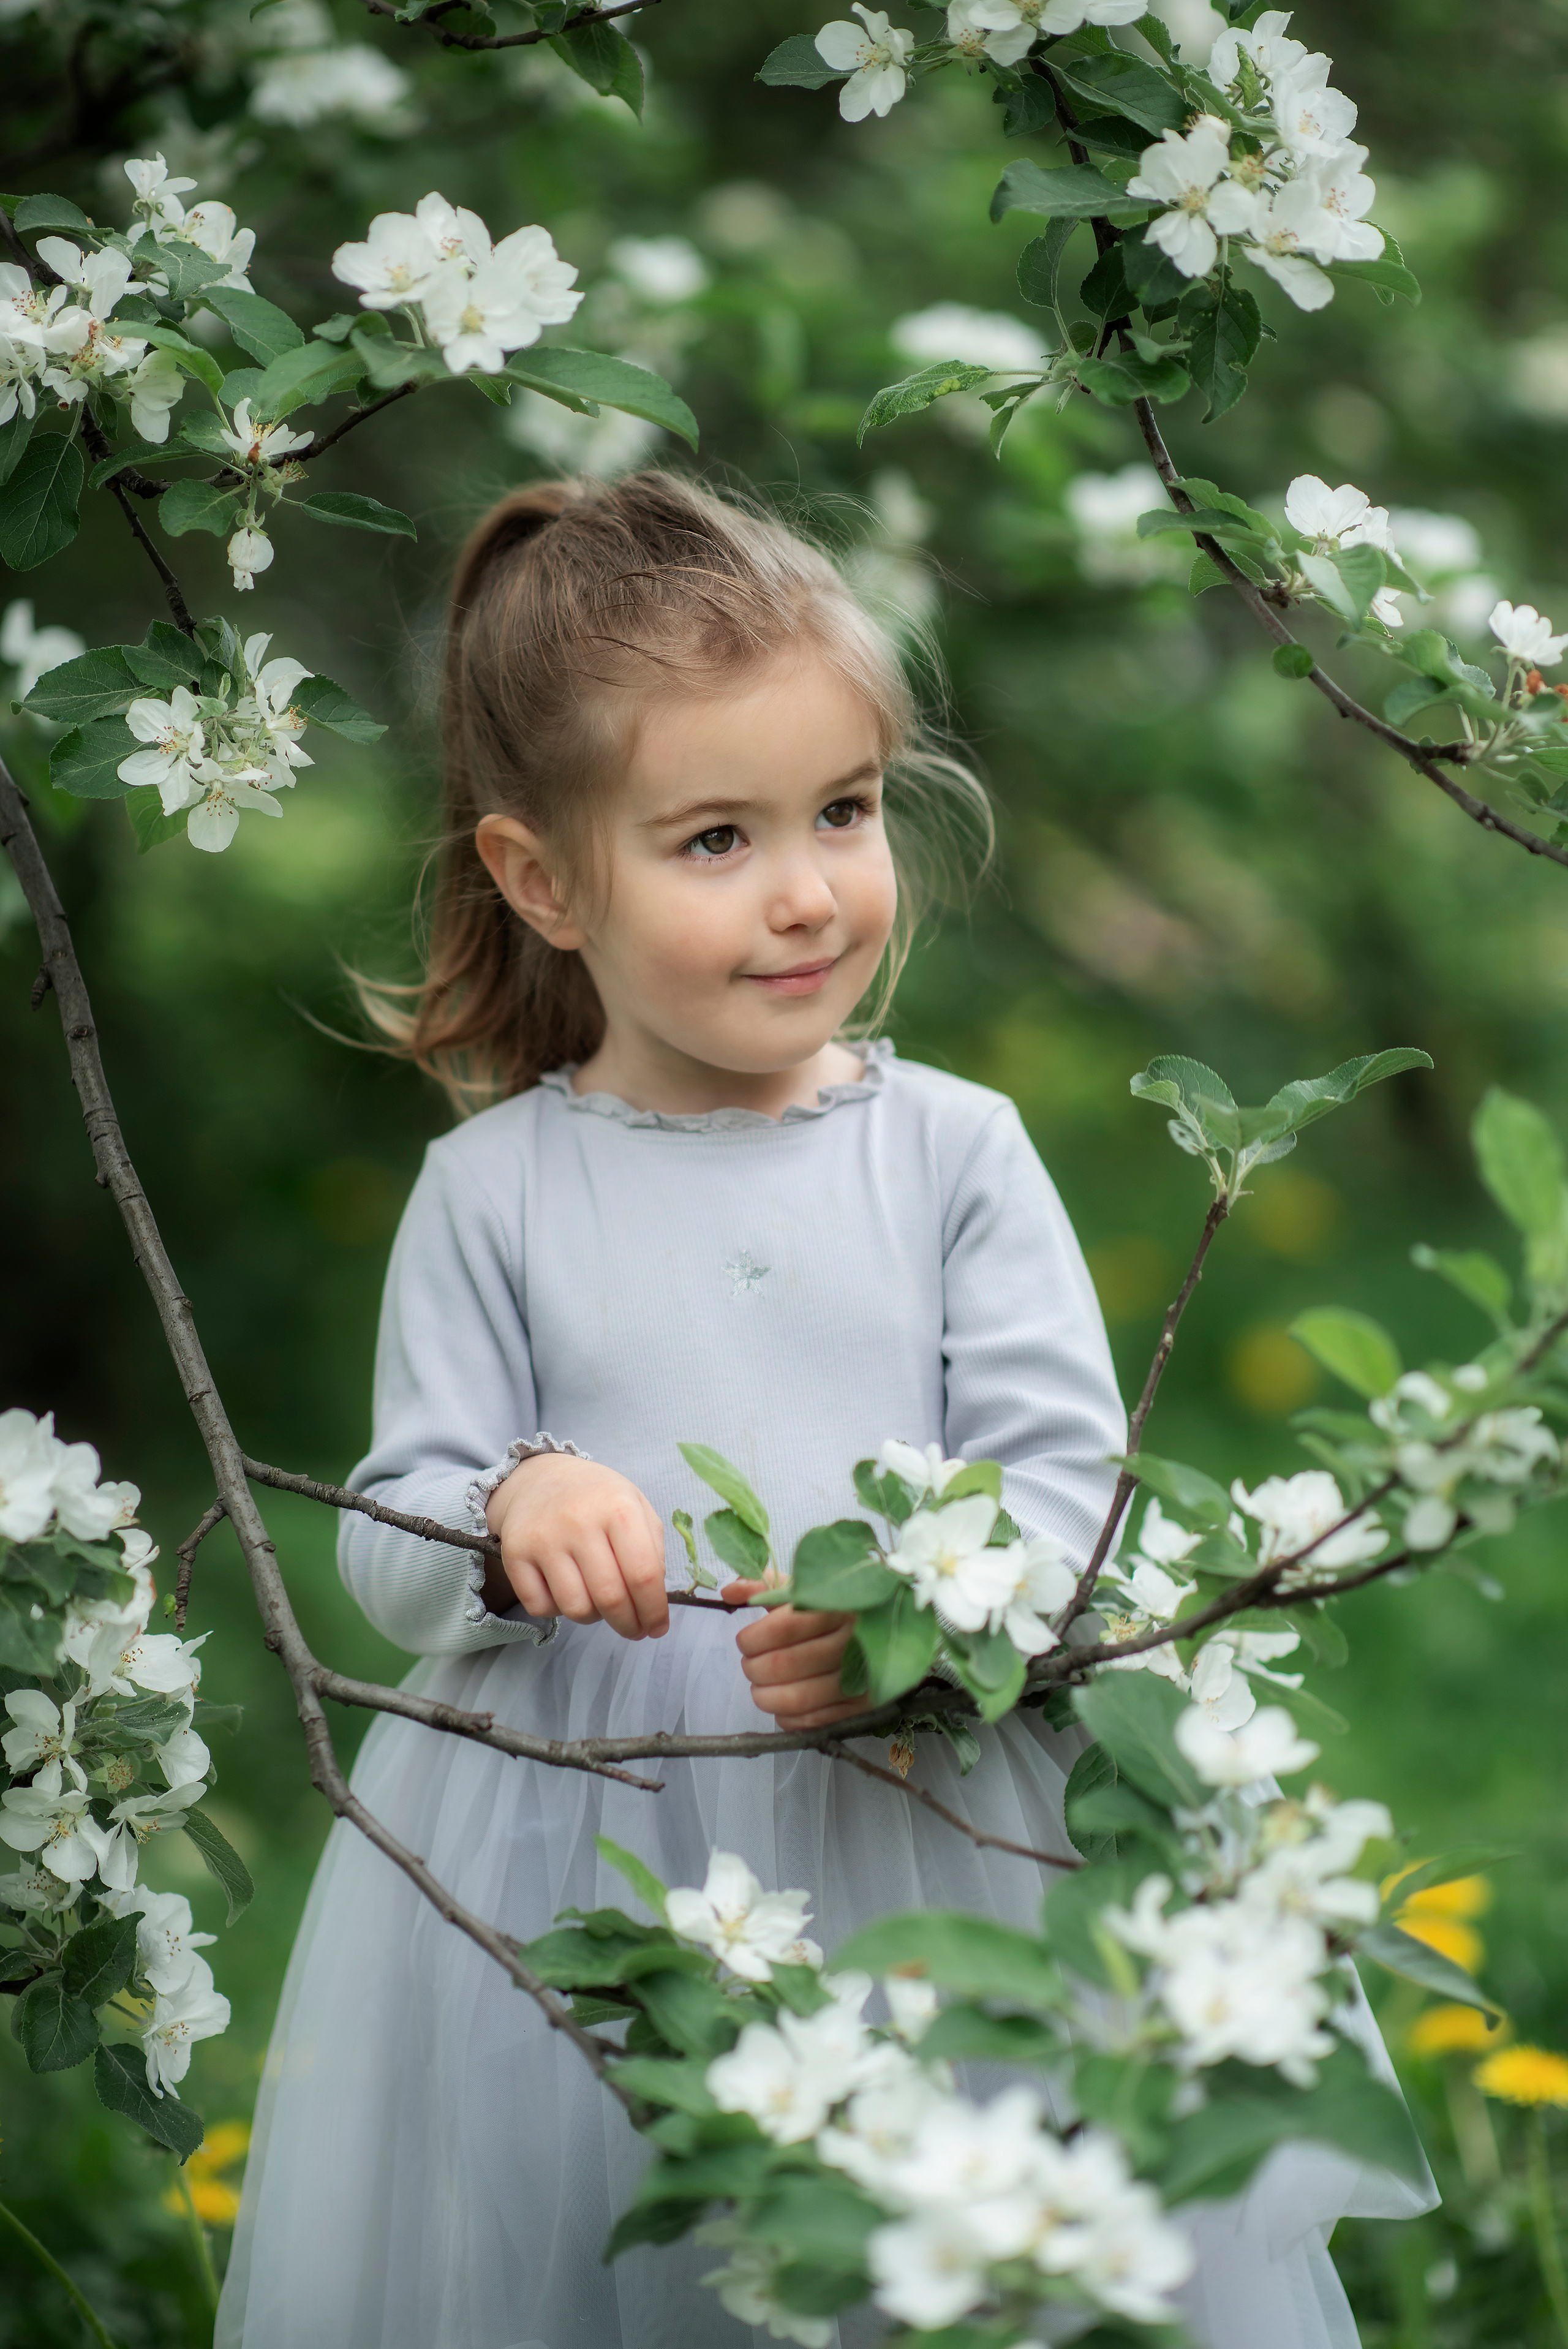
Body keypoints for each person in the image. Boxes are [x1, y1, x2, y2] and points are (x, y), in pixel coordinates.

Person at [216, 472, 1430, 2349]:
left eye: (844, 812)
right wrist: (509, 1508)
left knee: (970, 2258)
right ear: (546, 879)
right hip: (596, 1841)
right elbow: (392, 1537)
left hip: (933, 1803)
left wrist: (924, 1622)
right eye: (716, 837)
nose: (808, 891)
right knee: (626, 2264)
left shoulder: (952, 1152)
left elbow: (1064, 1490)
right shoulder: (497, 1190)